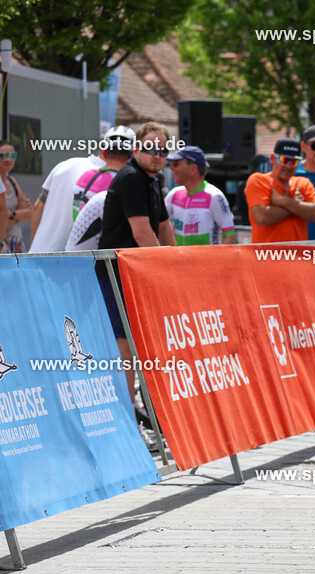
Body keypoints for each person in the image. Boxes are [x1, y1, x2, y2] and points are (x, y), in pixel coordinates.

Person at [98, 122, 177, 398]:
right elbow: (142, 232)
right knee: (123, 345)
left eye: (163, 150)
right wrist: (163, 271)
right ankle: (128, 417)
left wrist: (175, 262)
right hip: (117, 273)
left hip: (137, 271)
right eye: (150, 148)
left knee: (142, 344)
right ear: (135, 149)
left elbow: (164, 227)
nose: (157, 155)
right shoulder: (131, 177)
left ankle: (142, 413)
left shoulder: (154, 179)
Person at [29, 136, 105, 253]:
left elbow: (38, 207)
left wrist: (35, 246)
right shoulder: (111, 177)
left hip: (38, 253)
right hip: (68, 261)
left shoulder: (65, 164)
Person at [246, 138, 315, 244]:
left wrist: (283, 201)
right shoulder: (258, 180)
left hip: (298, 257)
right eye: (284, 160)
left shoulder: (303, 183)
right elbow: (262, 217)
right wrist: (298, 206)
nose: (289, 166)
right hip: (266, 257)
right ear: (272, 158)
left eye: (294, 161)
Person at [164, 146, 237, 245]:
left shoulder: (214, 196)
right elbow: (159, 224)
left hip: (206, 260)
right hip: (181, 260)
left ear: (193, 169)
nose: (171, 167)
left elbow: (229, 235)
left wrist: (218, 260)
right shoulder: (174, 194)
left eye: (176, 164)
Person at [70, 126, 136, 226]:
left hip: (75, 240)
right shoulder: (128, 183)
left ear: (104, 153)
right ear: (133, 155)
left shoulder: (86, 176)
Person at [0, 141, 30, 254]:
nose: (8, 159)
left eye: (12, 156)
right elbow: (3, 220)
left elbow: (31, 213)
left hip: (17, 244)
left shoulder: (12, 182)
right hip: (3, 245)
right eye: (3, 156)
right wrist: (18, 214)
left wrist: (11, 214)